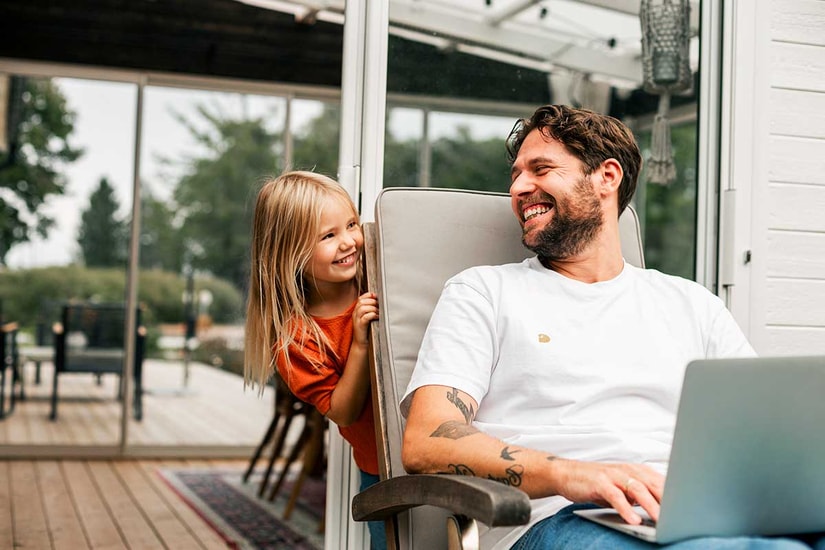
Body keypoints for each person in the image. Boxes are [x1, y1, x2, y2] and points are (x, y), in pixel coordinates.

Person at [400, 105, 823, 550]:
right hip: (559, 519)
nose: (519, 187)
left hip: (693, 512)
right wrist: (573, 473)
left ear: (607, 176)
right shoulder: (483, 292)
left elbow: (762, 432)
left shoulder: (692, 304)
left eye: (540, 169)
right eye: (516, 174)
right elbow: (428, 439)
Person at [244, 170, 386, 550]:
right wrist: (358, 343)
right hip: (382, 468)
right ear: (291, 253)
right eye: (328, 235)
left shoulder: (379, 274)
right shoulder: (297, 339)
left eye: (351, 225)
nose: (348, 242)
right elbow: (341, 411)